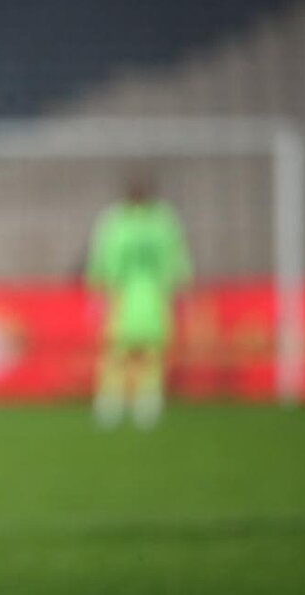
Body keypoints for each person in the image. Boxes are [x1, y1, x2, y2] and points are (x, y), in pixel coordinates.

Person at [86, 174, 192, 430]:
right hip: (154, 297)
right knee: (151, 353)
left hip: (122, 296)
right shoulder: (164, 221)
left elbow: (101, 258)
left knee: (117, 353)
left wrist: (97, 290)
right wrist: (180, 290)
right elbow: (177, 259)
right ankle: (147, 403)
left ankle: (111, 403)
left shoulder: (115, 221)